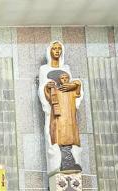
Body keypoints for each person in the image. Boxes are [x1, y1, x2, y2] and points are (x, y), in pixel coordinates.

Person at [38, 41, 84, 173]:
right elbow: (42, 89)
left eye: (59, 49)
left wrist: (75, 84)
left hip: (68, 108)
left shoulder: (66, 67)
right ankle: (61, 159)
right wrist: (47, 87)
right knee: (57, 132)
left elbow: (76, 88)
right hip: (56, 108)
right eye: (54, 49)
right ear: (50, 52)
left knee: (70, 131)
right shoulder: (44, 69)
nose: (57, 51)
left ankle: (70, 159)